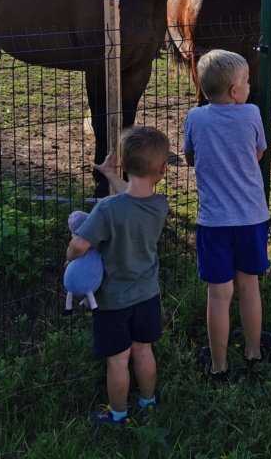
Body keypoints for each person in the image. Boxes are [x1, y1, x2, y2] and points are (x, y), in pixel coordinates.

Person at [66, 125, 171, 425]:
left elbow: (80, 243)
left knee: (118, 359)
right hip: (148, 295)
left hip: (113, 301)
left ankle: (118, 414)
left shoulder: (108, 209)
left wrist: (69, 259)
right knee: (143, 350)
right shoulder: (159, 206)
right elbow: (135, 196)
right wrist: (111, 175)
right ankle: (149, 403)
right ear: (163, 169)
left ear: (124, 164)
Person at [183, 49, 270, 381]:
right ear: (235, 90)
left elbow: (190, 157)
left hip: (214, 222)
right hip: (251, 218)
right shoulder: (251, 114)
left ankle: (218, 365)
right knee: (249, 287)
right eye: (247, 81)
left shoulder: (195, 117)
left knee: (218, 295)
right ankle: (253, 351)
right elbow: (258, 152)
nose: (249, 86)